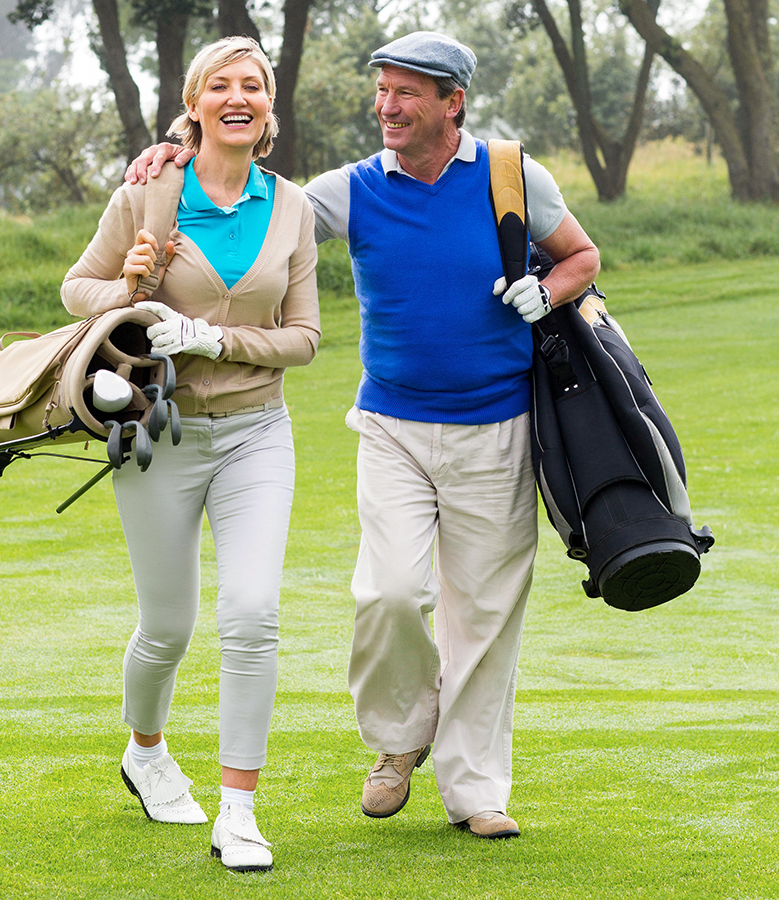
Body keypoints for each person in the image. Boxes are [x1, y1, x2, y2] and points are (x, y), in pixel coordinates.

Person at [126, 31, 599, 840]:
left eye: (406, 93)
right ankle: (397, 742)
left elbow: (581, 256)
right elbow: (256, 198)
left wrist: (545, 290)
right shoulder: (346, 190)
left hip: (501, 429)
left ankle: (475, 791)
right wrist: (171, 151)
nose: (387, 107)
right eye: (382, 91)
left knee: (482, 618)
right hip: (393, 426)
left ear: (453, 102)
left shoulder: (511, 175)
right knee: (388, 594)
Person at [62, 35, 320, 872]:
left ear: (268, 109)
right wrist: (132, 283)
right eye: (222, 85)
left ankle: (239, 812)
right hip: (155, 436)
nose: (239, 97)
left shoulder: (292, 207)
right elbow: (78, 290)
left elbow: (305, 339)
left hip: (256, 433)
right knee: (168, 627)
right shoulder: (149, 190)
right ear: (196, 101)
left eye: (255, 86)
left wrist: (211, 335)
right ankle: (145, 750)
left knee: (251, 616)